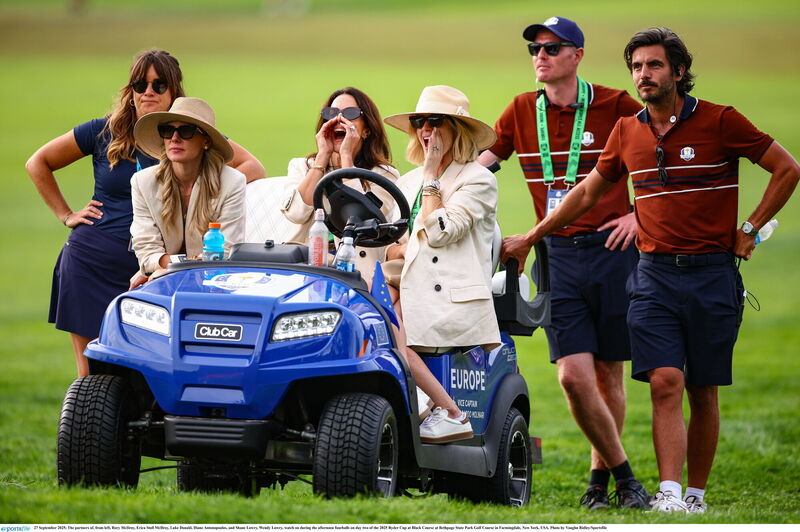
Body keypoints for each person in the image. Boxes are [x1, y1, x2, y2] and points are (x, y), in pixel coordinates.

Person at [503, 27, 799, 513]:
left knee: (703, 390)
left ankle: (696, 496)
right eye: (637, 67)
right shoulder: (628, 130)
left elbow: (787, 167)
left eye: (654, 65)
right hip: (652, 275)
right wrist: (532, 237)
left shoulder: (722, 121)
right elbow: (585, 194)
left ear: (679, 72)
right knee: (664, 381)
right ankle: (668, 492)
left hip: (712, 274)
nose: (644, 75)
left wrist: (749, 228)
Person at [479, 16, 649, 510]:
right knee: (574, 376)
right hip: (556, 255)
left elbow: (662, 159)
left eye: (552, 48)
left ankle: (599, 482)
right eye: (534, 47)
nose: (540, 55)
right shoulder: (518, 110)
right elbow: (481, 165)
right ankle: (625, 476)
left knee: (609, 375)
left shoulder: (618, 105)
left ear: (577, 55)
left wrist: (640, 214)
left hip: (614, 252)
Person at [25, 49, 265, 377]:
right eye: (140, 84)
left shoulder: (190, 136)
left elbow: (252, 167)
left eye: (158, 84)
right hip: (92, 260)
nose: (148, 92)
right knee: (92, 372)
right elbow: (37, 162)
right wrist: (66, 214)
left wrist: (204, 196)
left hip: (157, 269)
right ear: (131, 91)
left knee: (151, 371)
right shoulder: (104, 131)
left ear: (174, 92)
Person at [384, 85, 501, 443]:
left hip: (445, 294)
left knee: (385, 327)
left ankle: (450, 412)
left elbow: (439, 232)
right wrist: (400, 249)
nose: (425, 130)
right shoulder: (406, 182)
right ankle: (413, 401)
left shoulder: (479, 179)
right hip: (404, 283)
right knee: (361, 313)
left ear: (457, 129)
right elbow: (390, 245)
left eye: (435, 122)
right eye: (419, 122)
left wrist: (432, 173)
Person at [280, 87, 399, 284]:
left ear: (367, 130)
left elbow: (362, 222)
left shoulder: (384, 174)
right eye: (332, 114)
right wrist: (322, 158)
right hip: (304, 266)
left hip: (355, 271)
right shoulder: (301, 166)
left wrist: (346, 158)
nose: (339, 120)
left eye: (350, 114)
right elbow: (295, 214)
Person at [129, 97, 245, 280]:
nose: (175, 138)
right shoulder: (142, 182)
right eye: (167, 130)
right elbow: (146, 252)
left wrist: (167, 267)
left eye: (186, 131)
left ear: (205, 141)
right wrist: (178, 265)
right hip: (163, 278)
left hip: (213, 281)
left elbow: (226, 253)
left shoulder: (232, 182)